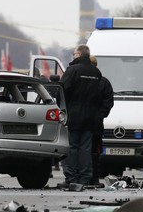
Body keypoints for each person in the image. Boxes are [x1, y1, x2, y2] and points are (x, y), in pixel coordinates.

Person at [57, 44, 101, 188]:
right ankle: (85, 178)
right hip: (91, 117)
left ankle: (72, 178)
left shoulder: (72, 70)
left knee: (72, 147)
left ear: (79, 54)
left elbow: (62, 90)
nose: (73, 55)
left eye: (74, 53)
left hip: (74, 115)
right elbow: (99, 95)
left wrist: (63, 108)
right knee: (86, 148)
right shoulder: (96, 72)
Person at [89, 56, 114, 187]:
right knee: (95, 151)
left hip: (84, 122)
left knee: (82, 148)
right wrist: (100, 116)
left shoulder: (83, 81)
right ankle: (93, 177)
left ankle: (82, 176)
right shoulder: (104, 82)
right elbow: (108, 102)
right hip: (97, 123)